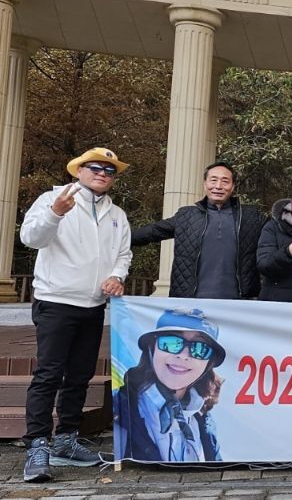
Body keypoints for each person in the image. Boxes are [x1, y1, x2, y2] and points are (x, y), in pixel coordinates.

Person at [20, 147, 132, 483]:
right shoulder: (53, 199)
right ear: (79, 170)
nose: (102, 174)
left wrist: (117, 276)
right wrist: (55, 213)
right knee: (49, 375)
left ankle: (66, 439)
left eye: (109, 171)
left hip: (94, 305)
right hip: (56, 301)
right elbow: (30, 238)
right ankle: (37, 444)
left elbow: (123, 254)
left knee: (80, 376)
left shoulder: (117, 214)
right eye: (95, 167)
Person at [131, 162, 265, 299]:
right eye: (213, 180)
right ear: (205, 184)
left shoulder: (251, 216)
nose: (218, 186)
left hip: (239, 302)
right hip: (191, 302)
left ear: (233, 186)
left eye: (225, 181)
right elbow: (153, 231)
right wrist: (120, 238)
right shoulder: (186, 216)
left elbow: (275, 235)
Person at [113, 308, 225, 463]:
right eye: (171, 342)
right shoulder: (121, 406)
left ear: (208, 363)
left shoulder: (204, 420)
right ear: (152, 348)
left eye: (200, 348)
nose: (183, 355)